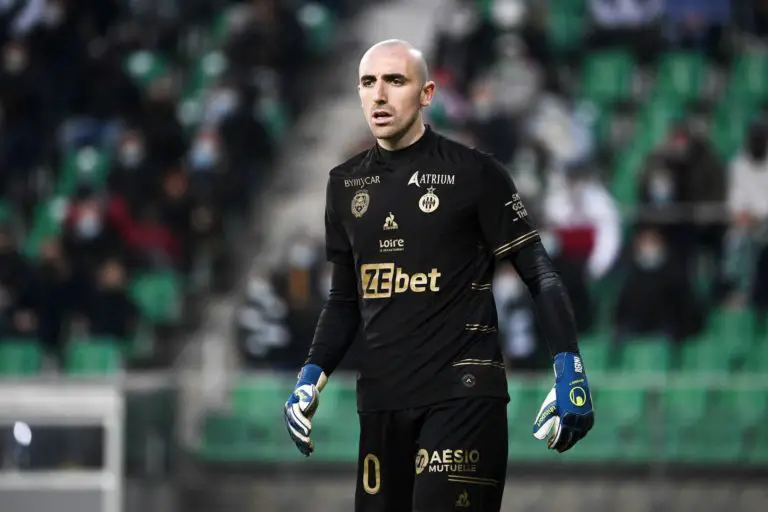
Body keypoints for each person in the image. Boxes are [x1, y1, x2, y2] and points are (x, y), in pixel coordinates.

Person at [283, 39, 594, 512]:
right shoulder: (344, 185)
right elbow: (345, 300)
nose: (379, 94)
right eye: (368, 82)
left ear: (427, 94)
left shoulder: (475, 174)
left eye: (395, 81)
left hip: (462, 399)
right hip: (382, 403)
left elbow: (539, 273)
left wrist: (569, 367)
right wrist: (311, 375)